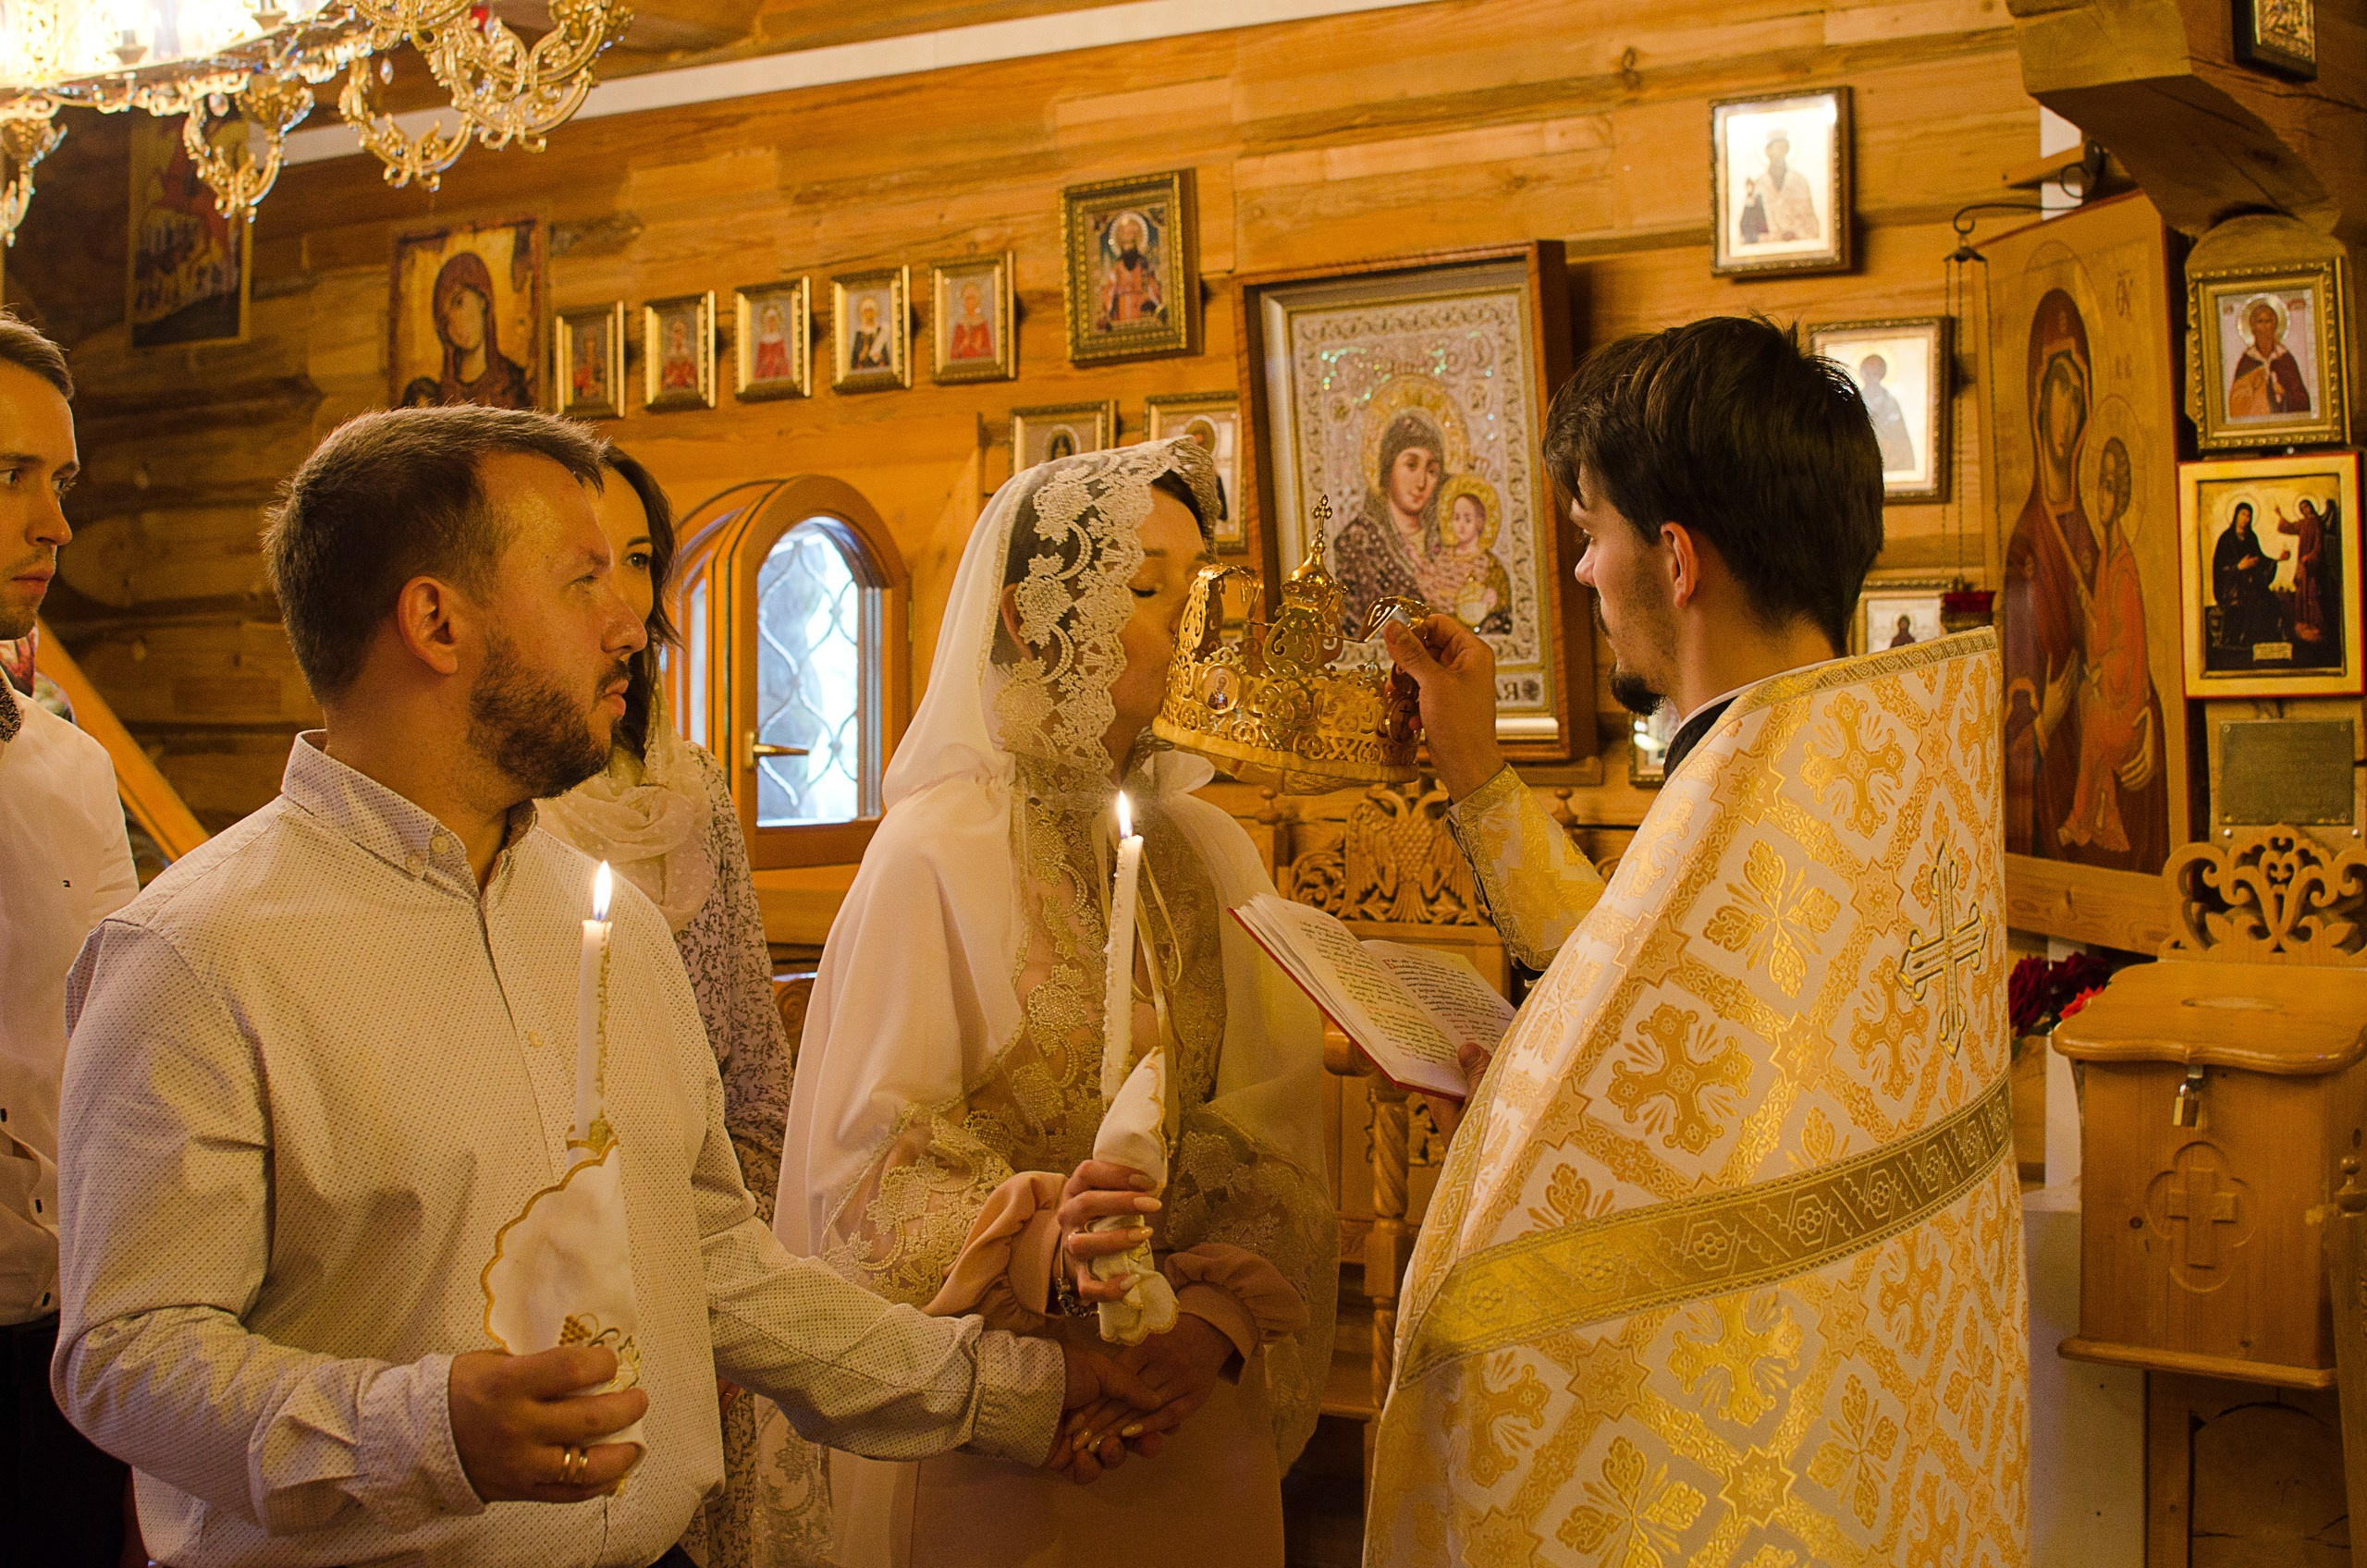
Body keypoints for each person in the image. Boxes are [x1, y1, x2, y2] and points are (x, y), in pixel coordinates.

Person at [54, 406, 1162, 1568]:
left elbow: (708, 1263)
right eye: (584, 578)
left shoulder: (612, 922)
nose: (635, 626)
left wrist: (1016, 1390)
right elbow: (130, 1354)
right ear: (436, 618)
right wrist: (418, 1428)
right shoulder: (198, 954)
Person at [1373, 316, 2025, 1565]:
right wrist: (1475, 776)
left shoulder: (1752, 784)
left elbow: (1528, 1298)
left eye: (1589, 533)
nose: (1579, 573)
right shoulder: (1883, 760)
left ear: (1672, 558)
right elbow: (1674, 1021)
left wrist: (1513, 1148)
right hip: (1885, 1443)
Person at [779, 437, 1337, 1568]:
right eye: (1145, 587)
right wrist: (1050, 1250)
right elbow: (867, 1172)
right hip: (1016, 1421)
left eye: (1197, 585)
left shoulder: (1211, 853)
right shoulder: (940, 851)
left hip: (1188, 1408)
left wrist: (1210, 1336)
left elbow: (1274, 1129)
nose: (1191, 622)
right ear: (1040, 620)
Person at [536, 446, 833, 1566]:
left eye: (641, 562)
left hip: (707, 1272)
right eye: (586, 566)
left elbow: (753, 1070)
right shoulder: (510, 812)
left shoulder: (691, 786)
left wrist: (717, 1285)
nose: (621, 602)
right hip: (559, 1308)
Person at [0, 315, 141, 1568]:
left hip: (46, 1339)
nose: (55, 524)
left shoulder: (72, 773)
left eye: (60, 482)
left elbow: (106, 1041)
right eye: (9, 476)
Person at [2002, 288, 2166, 871]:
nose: (2068, 413)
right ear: (2037, 404)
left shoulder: (2098, 538)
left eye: (2078, 394)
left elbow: (2132, 658)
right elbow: (2015, 709)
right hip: (2054, 785)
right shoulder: (2026, 543)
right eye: (2057, 393)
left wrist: (2148, 731)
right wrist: (2047, 717)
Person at [2061, 437, 2154, 856]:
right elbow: (2105, 633)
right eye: (2100, 485)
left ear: (2123, 497)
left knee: (2093, 710)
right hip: (2112, 689)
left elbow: (2129, 646)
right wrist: (2090, 610)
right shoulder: (2106, 558)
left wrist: (2102, 671)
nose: (2102, 498)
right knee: (2086, 701)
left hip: (2127, 698)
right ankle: (2106, 821)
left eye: (2111, 489)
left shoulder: (2124, 569)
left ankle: (2081, 818)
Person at [1331, 409, 1444, 630]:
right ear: (1387, 468)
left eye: (1432, 471)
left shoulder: (1452, 538)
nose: (1421, 482)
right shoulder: (1355, 544)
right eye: (1411, 465)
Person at [424, 251, 533, 409]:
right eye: (446, 320)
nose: (456, 324)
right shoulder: (440, 395)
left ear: (483, 298)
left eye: (459, 303)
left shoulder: (514, 384)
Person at [1419, 474, 1512, 634]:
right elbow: (1431, 592)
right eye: (1456, 518)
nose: (1461, 525)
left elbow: (1503, 596)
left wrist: (1494, 599)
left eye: (1468, 519)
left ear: (1480, 522)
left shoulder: (1489, 564)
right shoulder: (1444, 558)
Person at [2212, 499, 2286, 654]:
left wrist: (2277, 559)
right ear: (2236, 516)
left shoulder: (2251, 537)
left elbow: (2260, 557)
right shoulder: (2226, 539)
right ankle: (2239, 643)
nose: (2246, 519)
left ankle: (2263, 640)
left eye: (2249, 516)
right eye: (2243, 514)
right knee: (2246, 603)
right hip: (2233, 586)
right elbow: (2220, 567)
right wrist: (2238, 567)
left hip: (2251, 583)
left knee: (2271, 601)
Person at [2227, 296, 2310, 419]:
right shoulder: (2247, 361)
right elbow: (2236, 402)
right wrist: (2253, 387)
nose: (2264, 327)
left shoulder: (2285, 358)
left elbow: (2303, 401)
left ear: (2274, 325)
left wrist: (2284, 393)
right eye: (2260, 322)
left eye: (2268, 321)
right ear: (2253, 327)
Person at [2275, 496, 2336, 649]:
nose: (2304, 510)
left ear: (2311, 507)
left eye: (2306, 507)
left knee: (2313, 594)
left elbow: (2318, 544)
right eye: (2301, 509)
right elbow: (2288, 527)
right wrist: (2279, 515)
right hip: (2302, 564)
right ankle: (2304, 623)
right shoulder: (2303, 524)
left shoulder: (2316, 522)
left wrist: (2311, 556)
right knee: (2302, 593)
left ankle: (2317, 625)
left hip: (2313, 566)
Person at [1738, 127, 1818, 244]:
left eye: (1784, 149)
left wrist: (1796, 233)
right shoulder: (1759, 185)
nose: (1780, 154)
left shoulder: (1799, 182)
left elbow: (1811, 223)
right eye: (1778, 149)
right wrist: (1749, 194)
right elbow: (1748, 229)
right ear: (1768, 152)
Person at [1097, 212, 1164, 329]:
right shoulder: (1117, 267)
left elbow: (1151, 285)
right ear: (1121, 246)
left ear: (1136, 244)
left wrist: (1153, 302)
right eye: (1126, 244)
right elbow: (1110, 290)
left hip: (1140, 306)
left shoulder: (1143, 264)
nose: (1128, 247)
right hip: (1123, 309)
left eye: (1131, 244)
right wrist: (1106, 311)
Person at [1857, 352, 1918, 473]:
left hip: (1889, 453)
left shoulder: (1890, 401)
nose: (1872, 378)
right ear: (1863, 375)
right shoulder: (1856, 401)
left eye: (1875, 374)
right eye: (1868, 374)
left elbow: (1900, 434)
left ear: (1881, 375)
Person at [949, 283, 994, 361]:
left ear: (977, 301)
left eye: (973, 299)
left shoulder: (982, 324)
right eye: (967, 299)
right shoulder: (960, 325)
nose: (970, 302)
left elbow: (988, 351)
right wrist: (962, 345)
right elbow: (953, 354)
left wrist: (978, 347)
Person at [753, 302, 795, 383]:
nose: (770, 324)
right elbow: (759, 363)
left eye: (772, 321)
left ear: (776, 322)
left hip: (777, 374)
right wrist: (765, 362)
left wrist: (777, 361)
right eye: (768, 321)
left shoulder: (780, 341)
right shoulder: (762, 342)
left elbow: (784, 362)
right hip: (765, 376)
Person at [850, 297, 891, 371]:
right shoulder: (860, 333)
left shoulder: (880, 331)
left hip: (878, 366)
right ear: (862, 314)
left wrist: (881, 357)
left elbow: (884, 354)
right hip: (863, 367)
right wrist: (861, 355)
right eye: (866, 311)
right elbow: (855, 357)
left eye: (870, 311)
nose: (868, 314)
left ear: (874, 312)